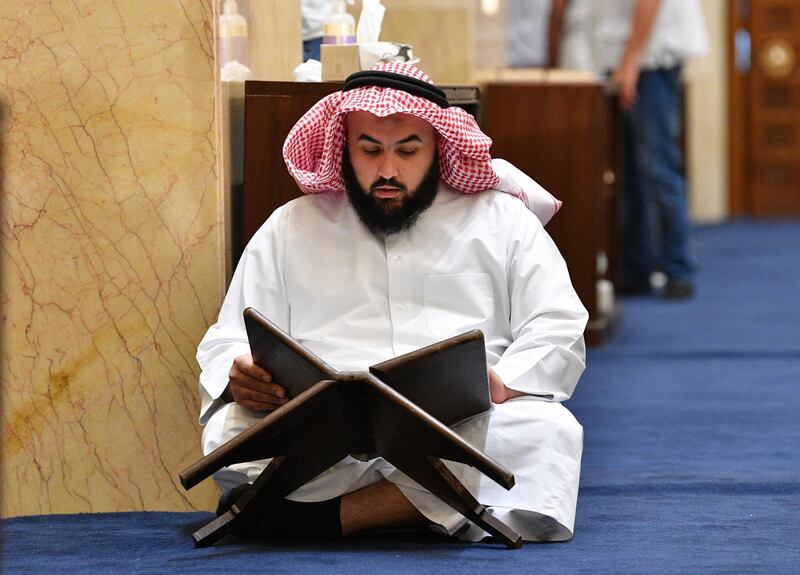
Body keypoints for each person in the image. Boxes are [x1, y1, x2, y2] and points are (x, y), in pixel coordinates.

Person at [196, 62, 588, 542]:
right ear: (344, 149)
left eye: (407, 150)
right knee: (228, 434)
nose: (387, 170)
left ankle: (325, 519)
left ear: (439, 146)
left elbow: (558, 324)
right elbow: (229, 334)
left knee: (546, 432)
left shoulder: (501, 222)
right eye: (369, 150)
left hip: (457, 424)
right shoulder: (290, 227)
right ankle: (436, 508)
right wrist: (238, 372)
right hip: (324, 433)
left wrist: (503, 383)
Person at [553, 0, 709, 298]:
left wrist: (630, 62)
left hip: (650, 59)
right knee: (629, 170)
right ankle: (635, 268)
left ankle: (678, 268)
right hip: (623, 58)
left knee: (657, 166)